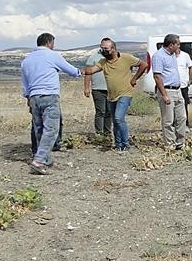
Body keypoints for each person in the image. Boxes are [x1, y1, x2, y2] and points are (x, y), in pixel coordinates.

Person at [20, 32, 81, 175]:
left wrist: (28, 98)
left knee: (39, 129)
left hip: (34, 97)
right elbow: (71, 71)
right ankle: (39, 160)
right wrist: (80, 72)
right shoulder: (53, 55)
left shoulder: (27, 60)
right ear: (49, 43)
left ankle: (45, 158)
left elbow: (24, 84)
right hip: (49, 95)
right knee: (51, 129)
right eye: (53, 43)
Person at [81, 38, 147, 152]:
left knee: (118, 118)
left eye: (106, 48)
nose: (103, 51)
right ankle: (118, 144)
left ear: (113, 49)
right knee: (115, 120)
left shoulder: (126, 58)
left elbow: (143, 64)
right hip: (111, 95)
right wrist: (75, 71)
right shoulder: (103, 62)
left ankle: (125, 144)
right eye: (101, 48)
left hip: (125, 93)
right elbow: (91, 70)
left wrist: (134, 78)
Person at [152, 34, 187, 150]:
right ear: (171, 45)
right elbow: (157, 76)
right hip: (167, 90)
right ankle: (170, 144)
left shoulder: (172, 55)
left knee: (182, 118)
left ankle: (180, 142)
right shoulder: (159, 56)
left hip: (177, 90)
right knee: (168, 120)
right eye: (178, 44)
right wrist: (164, 95)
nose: (179, 46)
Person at [83, 48, 112, 137]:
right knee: (100, 111)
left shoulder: (113, 57)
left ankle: (107, 132)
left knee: (109, 111)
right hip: (97, 89)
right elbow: (88, 73)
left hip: (111, 89)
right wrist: (86, 88)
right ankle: (99, 133)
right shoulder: (93, 58)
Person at [175, 46, 192, 126]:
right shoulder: (170, 56)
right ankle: (175, 123)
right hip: (173, 85)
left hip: (183, 85)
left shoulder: (185, 55)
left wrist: (190, 80)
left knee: (184, 104)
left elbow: (190, 67)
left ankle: (185, 124)